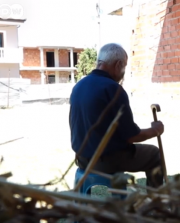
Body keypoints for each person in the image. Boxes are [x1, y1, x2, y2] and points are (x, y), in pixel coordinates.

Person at [69, 43, 165, 188]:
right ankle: (156, 202)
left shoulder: (79, 85)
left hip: (82, 158)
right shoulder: (113, 88)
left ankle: (100, 196)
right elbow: (132, 137)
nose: (123, 71)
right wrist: (155, 130)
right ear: (118, 64)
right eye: (124, 66)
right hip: (106, 161)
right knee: (154, 154)